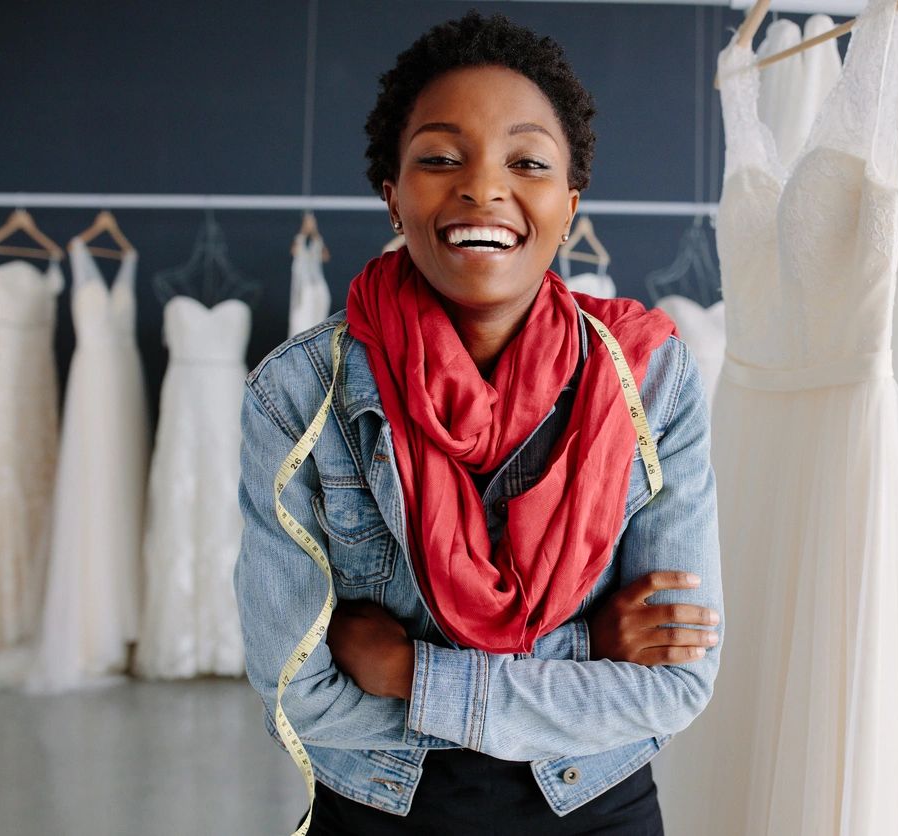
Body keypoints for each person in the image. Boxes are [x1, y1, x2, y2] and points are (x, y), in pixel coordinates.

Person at [234, 12, 723, 834]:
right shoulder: (296, 392)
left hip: (596, 807)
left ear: (569, 205)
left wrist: (412, 674)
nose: (483, 187)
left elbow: (676, 687)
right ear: (392, 193)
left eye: (526, 162)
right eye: (438, 158)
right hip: (382, 809)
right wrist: (584, 653)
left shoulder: (650, 377)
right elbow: (299, 692)